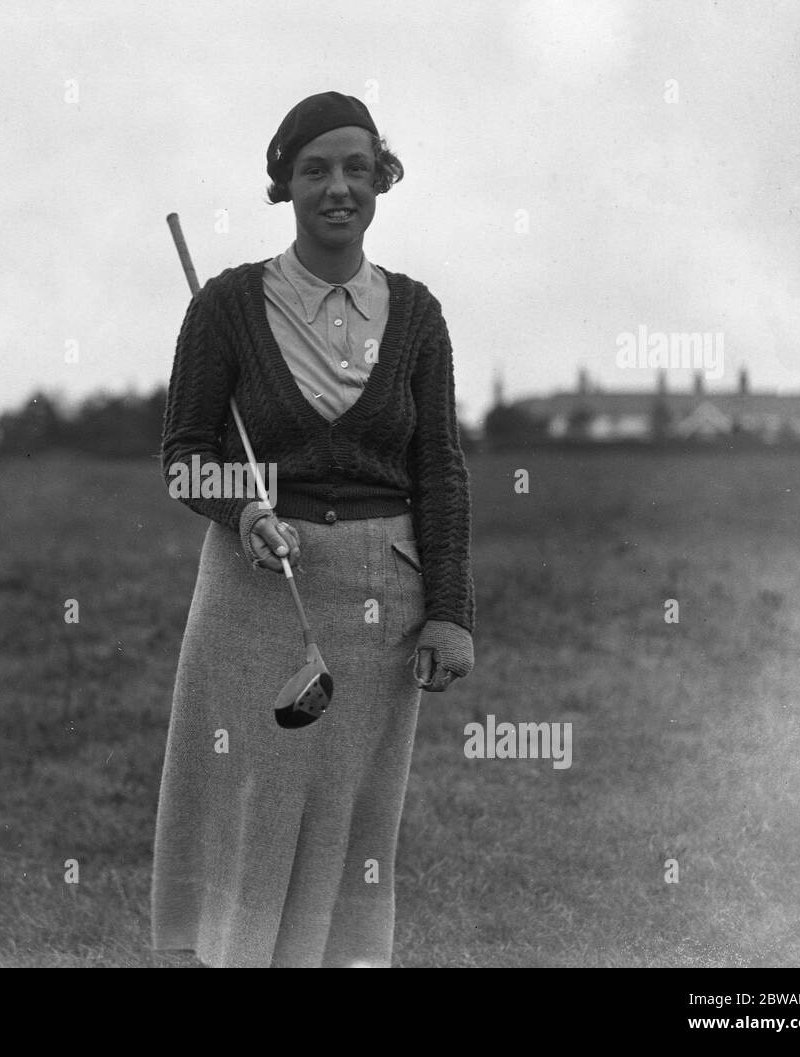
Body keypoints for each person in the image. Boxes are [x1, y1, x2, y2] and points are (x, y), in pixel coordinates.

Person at [151, 91, 475, 968]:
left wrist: (450, 609)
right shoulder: (224, 305)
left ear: (381, 181)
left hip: (384, 598)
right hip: (257, 590)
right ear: (284, 185)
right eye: (315, 170)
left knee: (353, 822)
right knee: (247, 806)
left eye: (358, 169)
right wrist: (244, 508)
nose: (339, 188)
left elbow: (439, 467)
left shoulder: (417, 315)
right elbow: (184, 453)